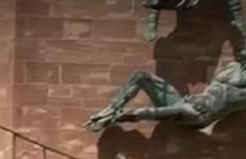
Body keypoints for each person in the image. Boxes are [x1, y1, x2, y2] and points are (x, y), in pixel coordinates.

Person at [84, 49, 246, 132]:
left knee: (143, 113)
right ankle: (110, 111)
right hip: (188, 102)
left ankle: (117, 117)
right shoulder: (233, 68)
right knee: (141, 77)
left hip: (200, 115)